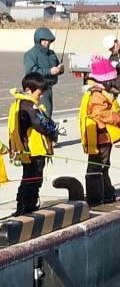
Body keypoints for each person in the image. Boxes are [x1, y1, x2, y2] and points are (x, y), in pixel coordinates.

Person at [79, 56, 120, 204]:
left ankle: (106, 193)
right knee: (98, 166)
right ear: (103, 80)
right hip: (100, 137)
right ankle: (97, 197)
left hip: (104, 137)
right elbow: (99, 114)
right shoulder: (97, 95)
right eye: (110, 80)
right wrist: (119, 118)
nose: (111, 83)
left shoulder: (100, 93)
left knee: (103, 166)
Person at [8, 73, 59, 215]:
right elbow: (39, 124)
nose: (41, 96)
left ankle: (22, 206)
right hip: (33, 151)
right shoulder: (29, 106)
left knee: (27, 178)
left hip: (27, 151)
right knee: (33, 179)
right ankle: (28, 208)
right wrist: (53, 132)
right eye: (39, 93)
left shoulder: (22, 104)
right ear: (29, 90)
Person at [23, 28, 63, 117]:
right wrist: (49, 71)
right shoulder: (30, 54)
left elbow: (56, 66)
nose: (47, 43)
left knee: (48, 113)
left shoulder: (51, 53)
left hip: (49, 88)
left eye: (49, 41)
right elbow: (30, 71)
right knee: (43, 114)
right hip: (37, 89)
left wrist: (59, 69)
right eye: (44, 40)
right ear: (38, 40)